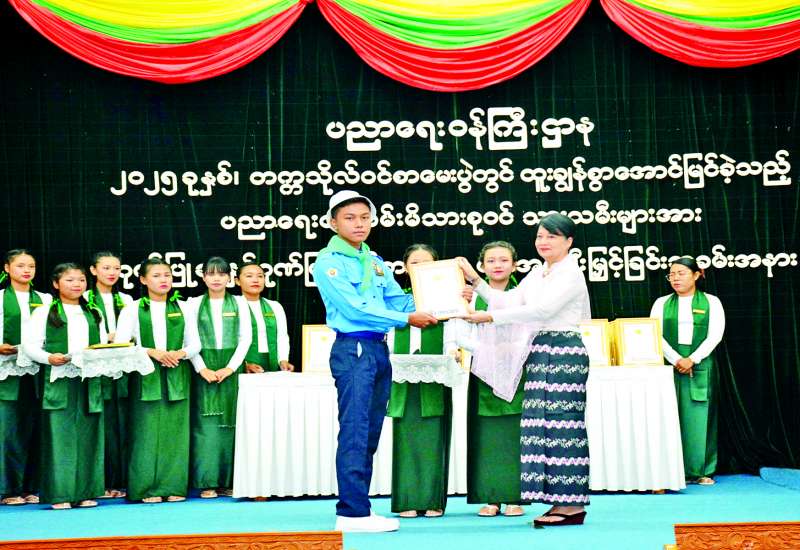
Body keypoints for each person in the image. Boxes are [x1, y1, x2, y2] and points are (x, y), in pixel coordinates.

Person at [312, 190, 437, 533]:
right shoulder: (328, 262)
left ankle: (360, 509)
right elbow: (356, 309)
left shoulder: (375, 261)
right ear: (333, 223)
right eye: (350, 218)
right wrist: (408, 319)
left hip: (379, 350)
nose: (359, 224)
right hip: (353, 348)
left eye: (365, 217)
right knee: (355, 429)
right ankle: (351, 513)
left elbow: (398, 301)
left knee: (369, 432)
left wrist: (445, 296)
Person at [459, 213, 591, 527]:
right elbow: (508, 300)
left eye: (551, 236)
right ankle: (560, 502)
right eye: (540, 236)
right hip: (540, 350)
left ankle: (572, 504)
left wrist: (488, 318)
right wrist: (475, 281)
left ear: (569, 241)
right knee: (542, 428)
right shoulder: (539, 272)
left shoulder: (570, 272)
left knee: (563, 427)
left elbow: (542, 310)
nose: (543, 242)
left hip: (564, 350)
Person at [114, 257, 201, 503]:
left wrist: (180, 353)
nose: (163, 280)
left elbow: (195, 343)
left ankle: (173, 486)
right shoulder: (132, 309)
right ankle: (145, 489)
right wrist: (152, 352)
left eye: (167, 275)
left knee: (176, 432)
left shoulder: (183, 307)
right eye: (156, 275)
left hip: (177, 373)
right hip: (145, 375)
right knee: (146, 432)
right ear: (143, 280)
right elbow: (121, 344)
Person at [23, 263, 106, 509]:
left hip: (88, 379)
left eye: (81, 280)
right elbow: (29, 345)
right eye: (69, 280)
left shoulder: (93, 311)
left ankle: (85, 491)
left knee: (89, 434)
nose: (77, 284)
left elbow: (102, 343)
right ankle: (61, 494)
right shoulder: (45, 312)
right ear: (56, 284)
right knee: (59, 435)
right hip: (59, 378)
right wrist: (48, 358)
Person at [387, 244, 455, 519]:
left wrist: (452, 351)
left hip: (435, 376)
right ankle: (407, 500)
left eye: (427, 263)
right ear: (405, 267)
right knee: (405, 438)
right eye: (415, 263)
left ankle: (432, 500)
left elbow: (454, 333)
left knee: (433, 438)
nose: (420, 268)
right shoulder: (393, 300)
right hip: (403, 376)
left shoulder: (448, 299)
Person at [650, 256, 725, 485]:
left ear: (696, 275)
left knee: (699, 417)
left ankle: (701, 470)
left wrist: (692, 359)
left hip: (700, 364)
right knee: (669, 416)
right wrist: (676, 359)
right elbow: (654, 334)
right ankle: (672, 471)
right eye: (671, 274)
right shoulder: (661, 303)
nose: (675, 278)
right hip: (669, 364)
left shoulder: (711, 302)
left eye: (681, 273)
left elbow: (715, 335)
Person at [466, 241, 524, 518]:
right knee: (486, 436)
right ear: (481, 266)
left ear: (514, 265)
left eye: (504, 260)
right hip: (482, 372)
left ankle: (514, 496)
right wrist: (483, 350)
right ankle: (491, 497)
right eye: (491, 261)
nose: (497, 265)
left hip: (517, 371)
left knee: (514, 435)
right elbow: (461, 333)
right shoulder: (470, 297)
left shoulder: (523, 295)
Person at [185, 257, 252, 498]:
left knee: (232, 425)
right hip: (203, 370)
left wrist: (231, 368)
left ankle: (230, 481)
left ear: (229, 278)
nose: (216, 278)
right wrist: (202, 368)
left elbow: (245, 339)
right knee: (205, 427)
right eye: (211, 274)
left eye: (221, 274)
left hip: (231, 371)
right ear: (203, 277)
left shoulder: (240, 303)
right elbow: (188, 340)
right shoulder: (192, 304)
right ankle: (207, 482)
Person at [0, 249, 51, 506]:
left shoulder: (45, 299)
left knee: (36, 429)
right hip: (7, 371)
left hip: (38, 370)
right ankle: (8, 489)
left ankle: (32, 486)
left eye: (31, 266)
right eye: (20, 265)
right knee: (8, 430)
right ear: (7, 268)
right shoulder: (0, 298)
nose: (26, 270)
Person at [85, 251, 133, 499]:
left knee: (121, 424)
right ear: (93, 270)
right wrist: (107, 338)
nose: (112, 273)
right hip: (95, 370)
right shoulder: (84, 298)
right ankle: (99, 483)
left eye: (116, 268)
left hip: (121, 369)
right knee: (99, 425)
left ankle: (120, 481)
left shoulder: (126, 299)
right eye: (106, 268)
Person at [235, 262, 293, 373]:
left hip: (271, 362)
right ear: (237, 281)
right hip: (241, 365)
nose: (255, 280)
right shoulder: (232, 306)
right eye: (249, 276)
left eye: (260, 276)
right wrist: (243, 365)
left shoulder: (275, 306)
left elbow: (282, 336)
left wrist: (283, 359)